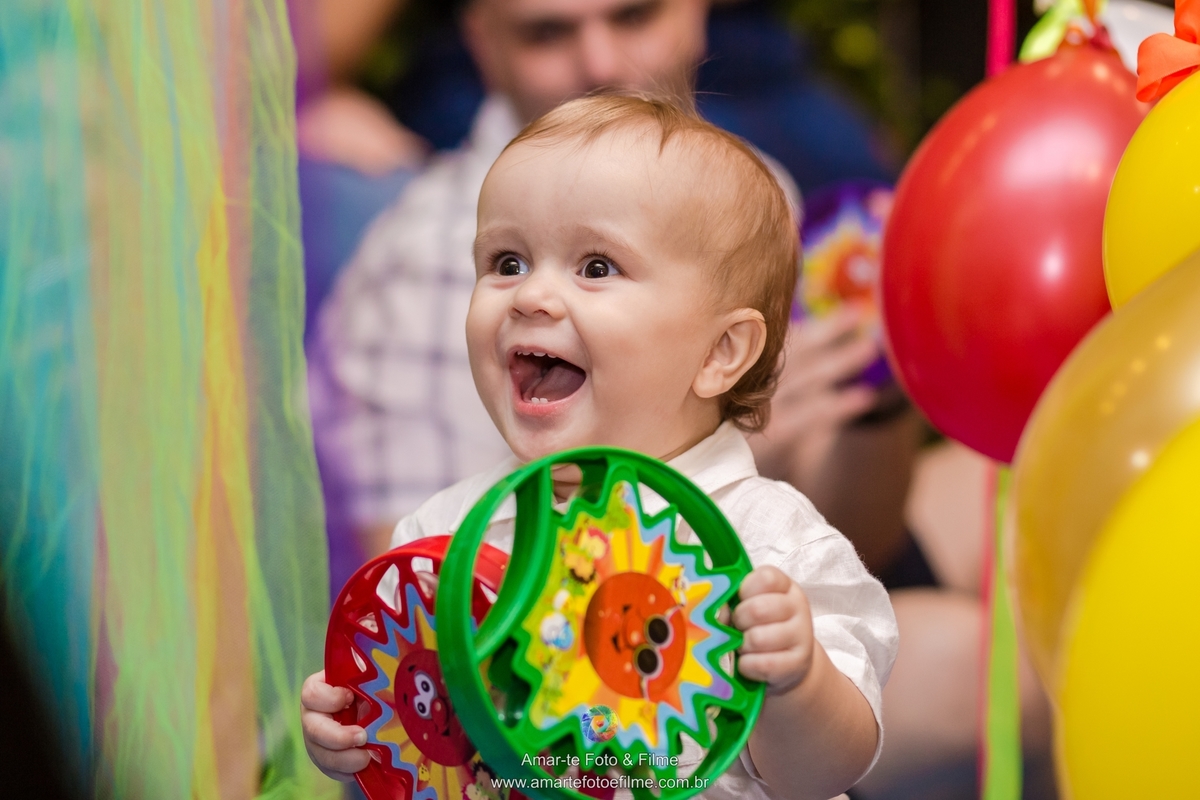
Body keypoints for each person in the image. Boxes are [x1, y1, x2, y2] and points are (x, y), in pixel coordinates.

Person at [302, 94, 899, 800]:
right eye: (507, 261)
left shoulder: (773, 546)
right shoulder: (444, 537)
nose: (531, 297)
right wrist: (359, 721)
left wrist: (798, 682)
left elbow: (827, 771)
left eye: (595, 267)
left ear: (721, 351)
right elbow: (427, 743)